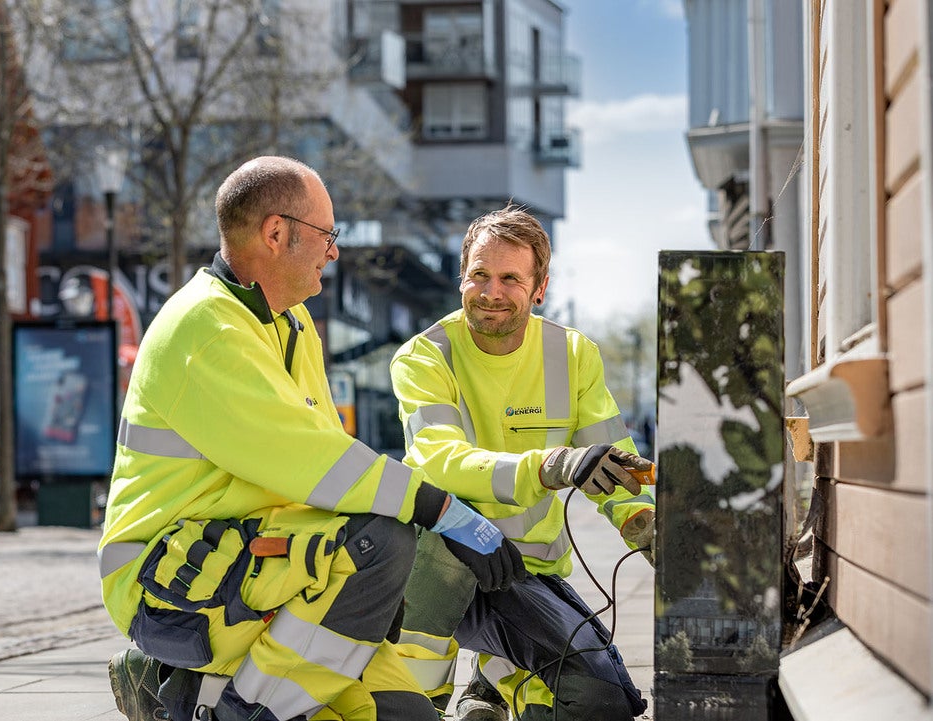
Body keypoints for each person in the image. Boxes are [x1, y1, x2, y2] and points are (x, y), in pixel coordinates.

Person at [99, 156, 525, 721]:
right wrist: (442, 511)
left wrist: (364, 603)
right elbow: (316, 462)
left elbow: (328, 468)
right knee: (382, 542)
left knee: (407, 714)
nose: (335, 251)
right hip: (170, 580)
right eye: (328, 234)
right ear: (276, 234)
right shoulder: (206, 329)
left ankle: (217, 692)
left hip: (251, 560)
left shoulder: (290, 323)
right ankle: (223, 708)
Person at [389, 205, 656, 721]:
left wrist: (644, 525)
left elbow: (615, 464)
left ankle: (496, 682)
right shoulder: (424, 357)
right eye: (479, 275)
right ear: (460, 278)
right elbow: (440, 460)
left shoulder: (573, 355)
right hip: (442, 568)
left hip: (526, 575)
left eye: (510, 278)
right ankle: (413, 705)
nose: (491, 292)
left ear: (540, 288)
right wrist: (551, 465)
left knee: (603, 701)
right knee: (438, 570)